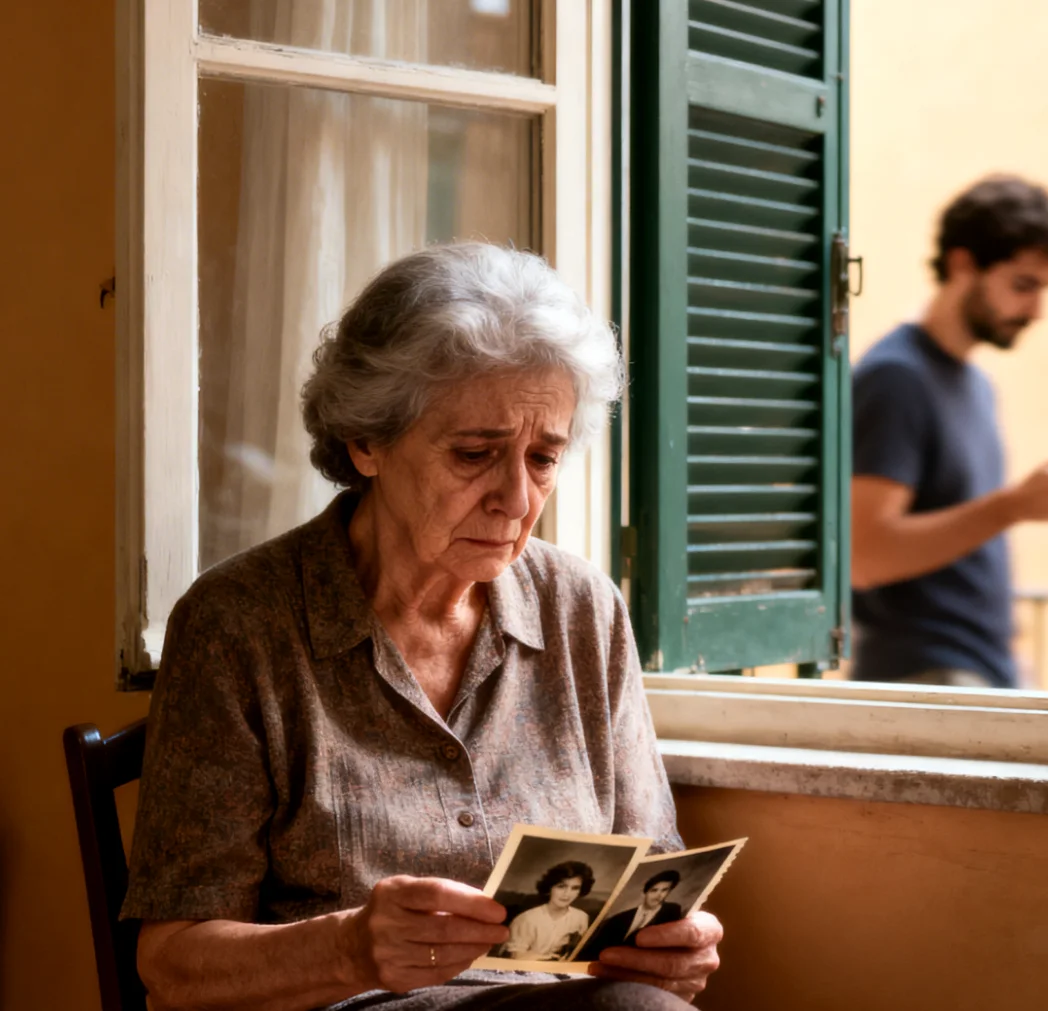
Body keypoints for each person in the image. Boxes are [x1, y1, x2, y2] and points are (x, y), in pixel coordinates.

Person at [122, 244, 721, 1010]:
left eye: (543, 457)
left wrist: (677, 945)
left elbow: (655, 878)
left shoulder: (583, 610)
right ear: (366, 442)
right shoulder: (239, 625)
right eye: (476, 453)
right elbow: (172, 967)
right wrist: (348, 947)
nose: (516, 497)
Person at [850, 175, 1048, 689]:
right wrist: (1014, 506)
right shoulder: (896, 378)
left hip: (982, 670)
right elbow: (864, 554)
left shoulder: (976, 384)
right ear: (963, 264)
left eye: (1044, 289)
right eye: (1022, 285)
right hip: (925, 675)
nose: (1037, 310)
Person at [576, 872, 685, 962]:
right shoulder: (619, 919)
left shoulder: (672, 911)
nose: (659, 895)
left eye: (665, 890)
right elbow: (595, 948)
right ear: (645, 893)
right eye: (654, 890)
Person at [504, 862, 596, 962]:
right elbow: (516, 957)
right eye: (561, 886)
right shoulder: (526, 919)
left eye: (574, 888)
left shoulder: (581, 917)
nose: (567, 894)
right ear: (550, 888)